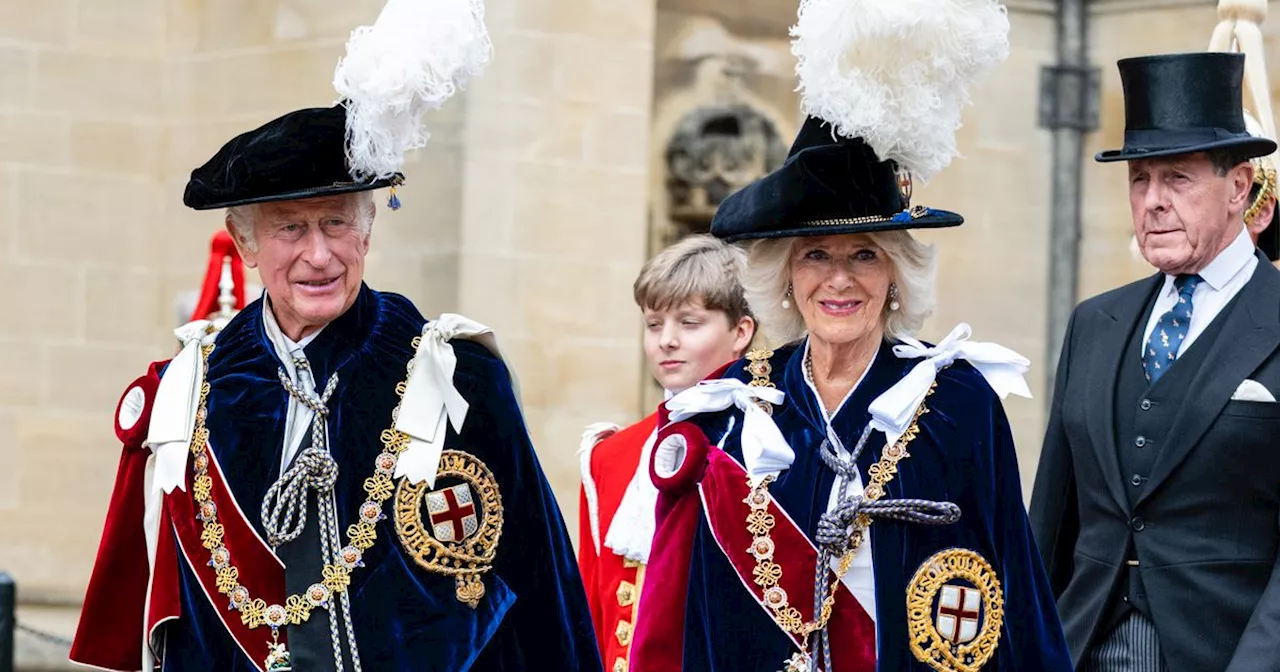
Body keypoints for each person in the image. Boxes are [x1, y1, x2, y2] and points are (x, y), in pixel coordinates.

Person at [67, 1, 602, 670]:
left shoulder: (454, 376)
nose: (319, 256)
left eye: (337, 224)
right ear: (246, 243)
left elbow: (540, 590)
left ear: (370, 230)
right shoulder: (192, 387)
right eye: (290, 227)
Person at [627, 1, 1072, 670]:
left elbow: (1012, 585)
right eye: (816, 256)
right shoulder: (730, 407)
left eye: (864, 253)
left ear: (897, 272)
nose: (840, 280)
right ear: (784, 276)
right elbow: (683, 610)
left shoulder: (957, 402)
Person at [1029, 51, 1280, 672]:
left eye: (1179, 179)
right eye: (1140, 179)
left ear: (1240, 188)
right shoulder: (1094, 321)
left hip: (1225, 652)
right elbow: (1052, 521)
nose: (1153, 201)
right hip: (1079, 645)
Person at [577, 234, 755, 672]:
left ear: (741, 331)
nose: (666, 341)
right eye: (654, 324)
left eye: (690, 323)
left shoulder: (766, 448)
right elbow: (589, 616)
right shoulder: (610, 455)